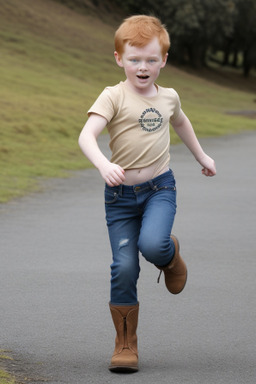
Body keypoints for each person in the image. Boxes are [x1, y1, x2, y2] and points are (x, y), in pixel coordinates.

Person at [78, 15, 216, 373]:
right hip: (119, 198)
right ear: (119, 58)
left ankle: (169, 256)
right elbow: (86, 136)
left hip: (160, 188)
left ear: (164, 61)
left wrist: (202, 156)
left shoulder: (168, 97)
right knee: (123, 267)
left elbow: (182, 122)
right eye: (135, 59)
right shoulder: (113, 96)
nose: (143, 67)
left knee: (153, 245)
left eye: (151, 60)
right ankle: (125, 343)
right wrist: (103, 165)